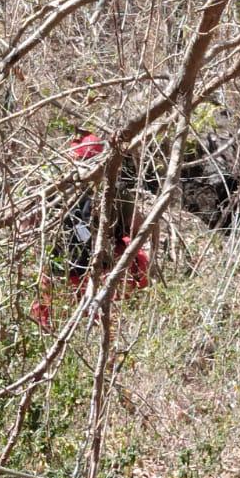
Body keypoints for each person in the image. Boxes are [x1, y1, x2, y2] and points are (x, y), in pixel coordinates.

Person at [29, 131, 149, 329]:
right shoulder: (115, 190)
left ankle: (48, 323)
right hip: (100, 271)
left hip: (59, 273)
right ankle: (118, 307)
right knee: (137, 255)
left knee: (45, 305)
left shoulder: (51, 191)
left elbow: (28, 229)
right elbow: (138, 229)